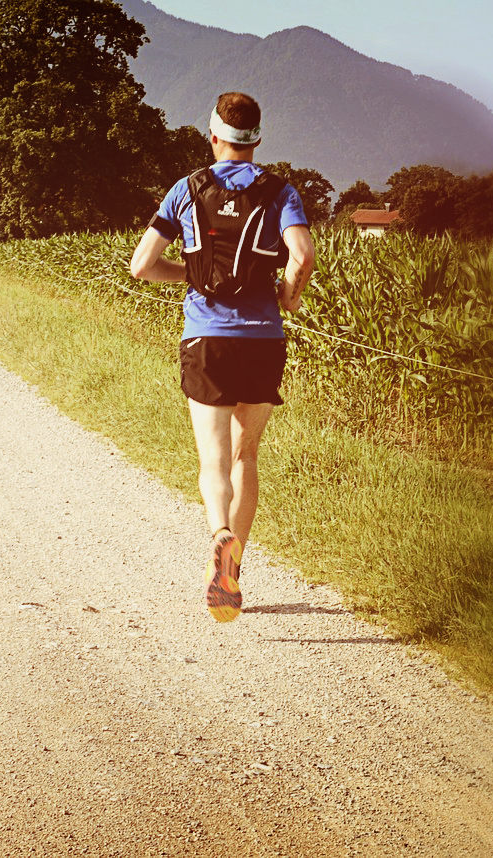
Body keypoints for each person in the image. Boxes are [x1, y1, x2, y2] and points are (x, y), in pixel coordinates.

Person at [129, 91, 315, 623]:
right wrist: (288, 297)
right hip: (263, 341)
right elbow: (301, 257)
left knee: (213, 460)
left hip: (206, 338)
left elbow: (142, 265)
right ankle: (235, 570)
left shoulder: (186, 190)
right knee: (245, 456)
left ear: (213, 137)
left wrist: (187, 277)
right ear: (256, 141)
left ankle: (221, 534)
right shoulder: (281, 192)